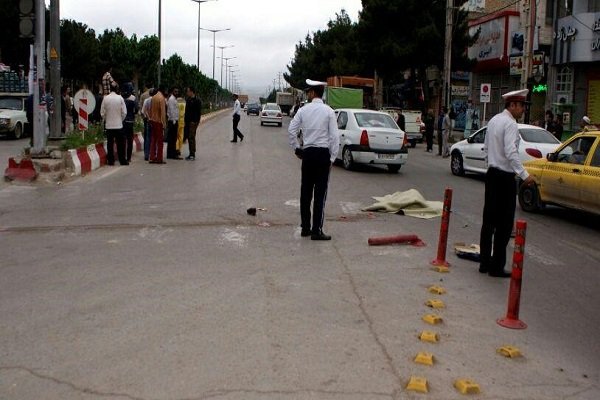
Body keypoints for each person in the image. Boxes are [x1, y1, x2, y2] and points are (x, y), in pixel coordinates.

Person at [479, 89, 534, 278]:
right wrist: (525, 175)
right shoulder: (510, 124)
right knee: (504, 225)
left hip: (492, 175)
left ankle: (484, 263)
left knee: (488, 221)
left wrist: (491, 164)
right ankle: (496, 267)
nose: (522, 110)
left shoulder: (494, 120)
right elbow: (511, 152)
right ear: (512, 105)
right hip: (505, 179)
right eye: (521, 106)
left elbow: (486, 148)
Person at [288, 79, 340, 241]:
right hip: (323, 155)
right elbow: (334, 137)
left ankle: (305, 228)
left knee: (305, 192)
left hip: (308, 154)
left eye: (308, 91)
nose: (307, 94)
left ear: (312, 93)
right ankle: (317, 230)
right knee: (320, 195)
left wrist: (297, 148)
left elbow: (292, 130)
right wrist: (332, 158)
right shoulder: (328, 111)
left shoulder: (303, 110)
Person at [100, 84, 128, 166]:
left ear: (109, 89)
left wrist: (106, 119)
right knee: (120, 144)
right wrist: (120, 119)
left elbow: (102, 113)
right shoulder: (120, 98)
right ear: (117, 90)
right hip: (118, 125)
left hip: (109, 125)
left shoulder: (105, 98)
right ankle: (122, 160)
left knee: (110, 144)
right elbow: (124, 112)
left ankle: (111, 161)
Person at [148, 85, 167, 164]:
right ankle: (159, 158)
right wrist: (164, 123)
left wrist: (151, 119)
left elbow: (150, 110)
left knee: (153, 140)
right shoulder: (161, 98)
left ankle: (152, 157)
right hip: (159, 122)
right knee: (160, 141)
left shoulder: (154, 97)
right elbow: (163, 112)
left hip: (153, 120)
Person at [184, 86, 202, 160]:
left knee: (191, 137)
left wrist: (196, 122)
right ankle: (191, 153)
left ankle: (192, 154)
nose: (187, 92)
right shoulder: (188, 100)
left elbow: (199, 112)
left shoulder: (197, 100)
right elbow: (186, 111)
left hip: (193, 122)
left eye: (188, 91)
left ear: (192, 92)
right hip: (188, 121)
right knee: (189, 137)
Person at [122, 83, 138, 163]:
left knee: (123, 139)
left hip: (122, 121)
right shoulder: (133, 98)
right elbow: (136, 109)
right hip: (130, 121)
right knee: (130, 140)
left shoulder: (121, 98)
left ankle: (123, 156)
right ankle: (129, 157)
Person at [141, 88, 156, 161]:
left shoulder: (146, 101)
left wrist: (147, 117)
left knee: (148, 138)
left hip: (148, 121)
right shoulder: (156, 100)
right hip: (155, 121)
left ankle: (146, 155)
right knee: (155, 138)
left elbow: (143, 111)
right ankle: (154, 153)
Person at [166, 87, 181, 159]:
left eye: (177, 92)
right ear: (172, 92)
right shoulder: (172, 99)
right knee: (172, 138)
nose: (177, 93)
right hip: (172, 121)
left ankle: (171, 154)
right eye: (175, 91)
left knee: (173, 139)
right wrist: (174, 121)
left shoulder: (174, 99)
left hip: (174, 121)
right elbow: (171, 110)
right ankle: (171, 155)